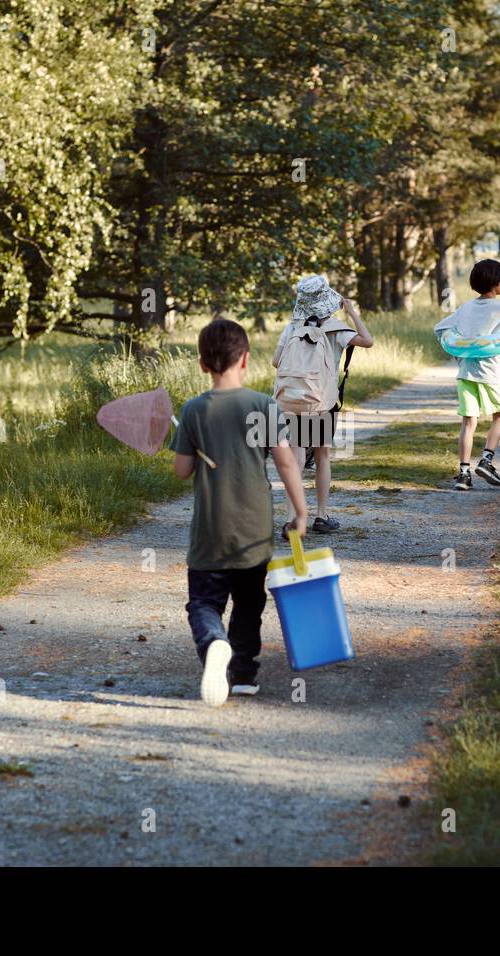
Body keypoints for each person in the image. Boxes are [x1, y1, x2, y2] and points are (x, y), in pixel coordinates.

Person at [172, 319, 308, 707]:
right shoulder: (263, 405)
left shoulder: (194, 410)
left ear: (202, 364)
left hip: (210, 533)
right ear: (245, 359)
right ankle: (244, 673)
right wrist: (300, 512)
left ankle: (214, 642)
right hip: (254, 530)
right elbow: (285, 464)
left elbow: (182, 471)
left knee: (204, 603)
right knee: (249, 603)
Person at [271, 274, 373, 533]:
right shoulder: (335, 327)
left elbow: (276, 361)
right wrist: (352, 312)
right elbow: (367, 340)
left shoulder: (292, 326)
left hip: (290, 399)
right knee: (322, 455)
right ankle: (321, 515)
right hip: (320, 403)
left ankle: (294, 517)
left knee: (294, 459)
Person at [433, 259, 500, 491]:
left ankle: (464, 475)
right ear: (497, 284)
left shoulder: (465, 308)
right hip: (492, 373)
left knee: (468, 422)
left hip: (466, 372)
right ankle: (486, 461)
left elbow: (440, 329)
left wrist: (459, 351)